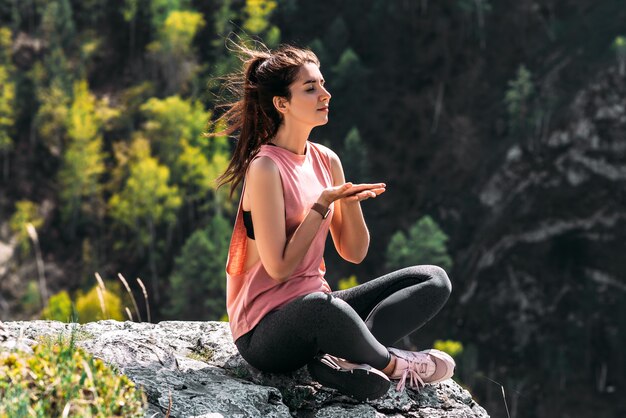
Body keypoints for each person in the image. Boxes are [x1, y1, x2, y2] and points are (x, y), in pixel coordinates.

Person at [213, 42, 455, 402]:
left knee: (433, 280)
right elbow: (279, 268)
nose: (325, 94)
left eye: (323, 84)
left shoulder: (326, 160)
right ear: (282, 104)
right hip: (265, 333)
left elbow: (354, 253)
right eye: (310, 88)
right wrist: (320, 206)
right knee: (323, 309)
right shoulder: (265, 167)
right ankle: (394, 364)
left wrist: (350, 204)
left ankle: (345, 361)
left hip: (318, 307)